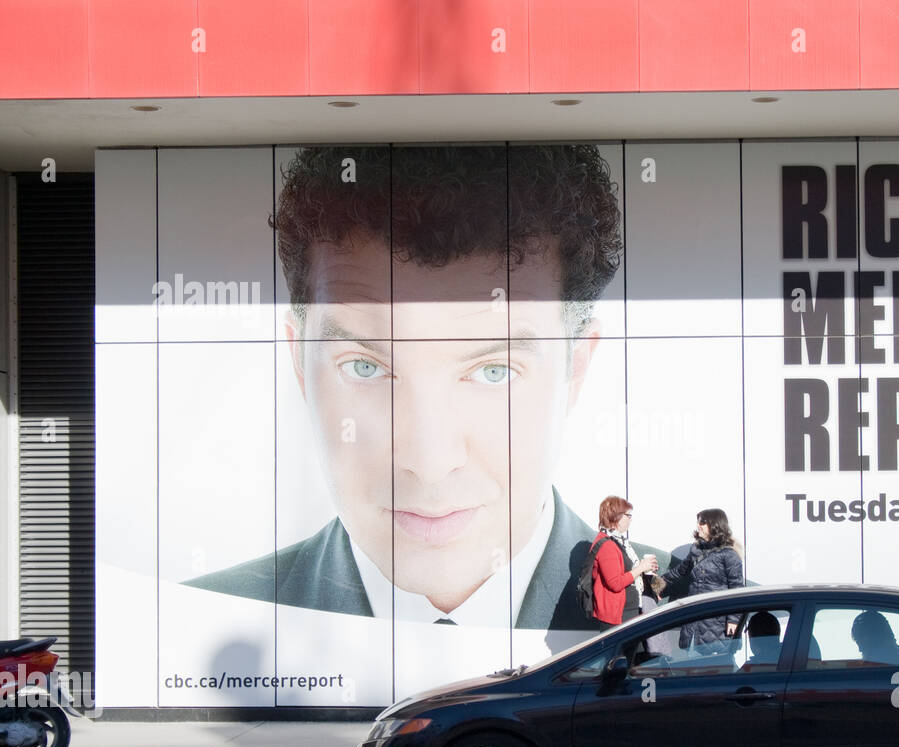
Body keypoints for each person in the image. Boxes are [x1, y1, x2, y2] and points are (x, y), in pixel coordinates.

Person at [183, 145, 667, 632]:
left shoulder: (693, 609)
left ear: (575, 367)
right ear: (300, 363)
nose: (431, 464)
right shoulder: (193, 626)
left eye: (494, 372)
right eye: (365, 368)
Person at [655, 508, 744, 654]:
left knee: (717, 666)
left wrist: (734, 620)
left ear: (715, 525)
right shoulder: (696, 550)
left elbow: (737, 590)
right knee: (693, 666)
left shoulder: (729, 555)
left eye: (703, 522)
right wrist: (656, 586)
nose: (699, 525)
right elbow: (679, 572)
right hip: (694, 617)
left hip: (717, 621)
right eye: (698, 522)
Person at [589, 496, 659, 630]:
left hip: (630, 611)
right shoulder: (607, 545)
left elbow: (628, 572)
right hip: (618, 616)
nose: (630, 519)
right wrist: (641, 567)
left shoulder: (619, 541)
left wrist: (647, 571)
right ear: (616, 517)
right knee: (622, 652)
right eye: (628, 515)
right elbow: (615, 583)